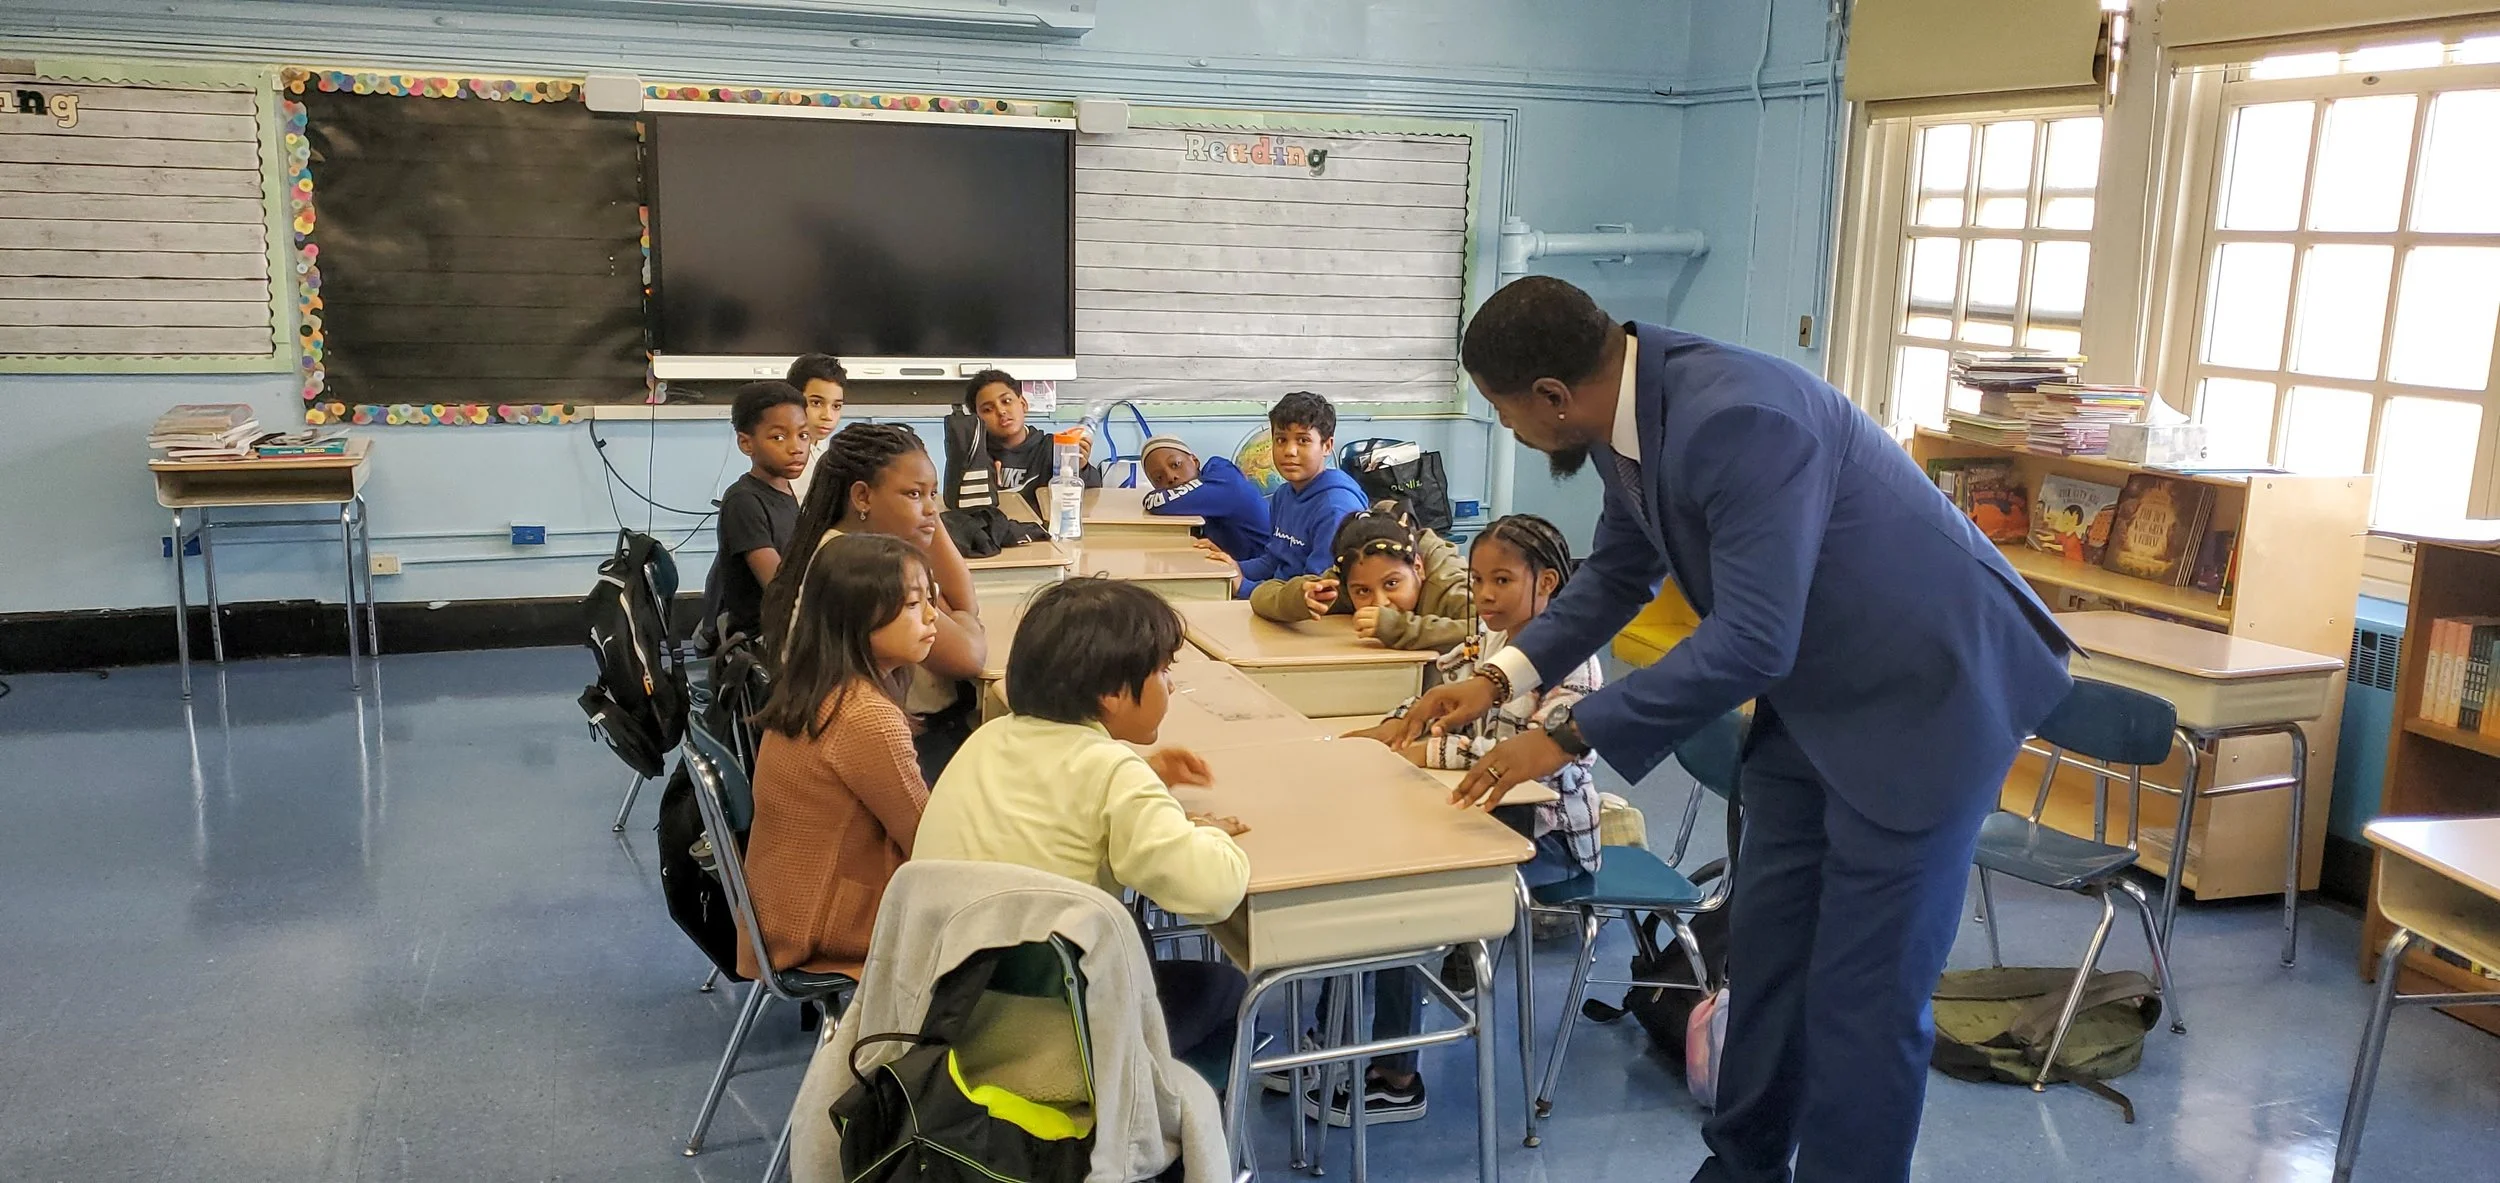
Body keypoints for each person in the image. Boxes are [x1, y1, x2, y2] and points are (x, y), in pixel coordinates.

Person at [1397, 276, 2072, 1183]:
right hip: (1818, 696)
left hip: (1930, 700)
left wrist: (1566, 734)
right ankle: (1742, 1169)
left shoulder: (1739, 418)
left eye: (1503, 409)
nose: (1507, 427)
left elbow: (1754, 636)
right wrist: (1498, 676)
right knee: (1768, 961)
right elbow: (1618, 575)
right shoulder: (1628, 415)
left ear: (1552, 395)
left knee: (1865, 1000)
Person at [1311, 514, 1598, 1126]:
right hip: (1479, 817)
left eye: (1502, 580)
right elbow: (1435, 694)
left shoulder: (1576, 666)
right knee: (1362, 869)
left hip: (1546, 840)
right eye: (1478, 580)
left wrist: (1425, 750)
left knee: (1401, 899)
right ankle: (1327, 1044)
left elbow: (1531, 761)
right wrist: (1399, 724)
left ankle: (1395, 1075)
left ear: (1547, 583)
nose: (1485, 595)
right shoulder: (1487, 647)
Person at [914, 577, 1251, 1074]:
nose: (1171, 685)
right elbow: (1212, 892)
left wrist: (1151, 782)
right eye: (1162, 670)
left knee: (1135, 936)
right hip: (1053, 1036)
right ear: (1112, 692)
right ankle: (1152, 1118)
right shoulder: (1113, 773)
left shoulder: (988, 739)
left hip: (949, 1011)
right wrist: (1209, 835)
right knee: (1229, 990)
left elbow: (1059, 797)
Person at [740, 533, 935, 980]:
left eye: (931, 598)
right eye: (912, 604)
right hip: (823, 924)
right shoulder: (866, 715)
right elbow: (927, 838)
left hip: (782, 908)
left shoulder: (816, 684)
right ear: (857, 617)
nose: (931, 616)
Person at [766, 423, 988, 784]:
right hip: (890, 744)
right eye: (914, 494)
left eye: (933, 494)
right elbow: (968, 657)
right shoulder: (867, 569)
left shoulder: (848, 542)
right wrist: (962, 618)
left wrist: (924, 516)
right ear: (862, 497)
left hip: (873, 733)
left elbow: (963, 600)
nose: (931, 509)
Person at [1249, 500, 1472, 651]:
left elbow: (1484, 633)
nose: (1380, 603)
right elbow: (1262, 595)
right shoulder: (1347, 582)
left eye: (1392, 583)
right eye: (1363, 591)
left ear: (1418, 567)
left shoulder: (1447, 582)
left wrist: (1398, 628)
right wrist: (1298, 598)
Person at [699, 380, 809, 649]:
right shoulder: (744, 501)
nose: (796, 447)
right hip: (760, 641)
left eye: (803, 435)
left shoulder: (786, 491)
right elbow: (780, 589)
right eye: (779, 437)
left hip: (789, 629)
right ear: (746, 443)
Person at [1227, 390, 1367, 598]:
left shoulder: (1335, 508)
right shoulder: (1284, 494)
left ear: (1327, 446)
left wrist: (1244, 587)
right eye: (1281, 440)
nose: (1289, 451)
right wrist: (1228, 568)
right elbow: (1272, 561)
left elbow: (1317, 589)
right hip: (1281, 600)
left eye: (1303, 440)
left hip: (1310, 609)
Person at [967, 368, 1099, 505]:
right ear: (976, 420)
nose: (1001, 411)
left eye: (1006, 401)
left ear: (1023, 404)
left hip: (1043, 519)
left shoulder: (1054, 449)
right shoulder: (973, 455)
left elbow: (1091, 497)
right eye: (988, 409)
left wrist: (1079, 468)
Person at [1138, 435, 1275, 563]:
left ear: (1195, 461)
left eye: (1176, 465)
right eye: (1158, 478)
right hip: (1246, 565)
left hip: (1270, 572)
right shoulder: (1202, 493)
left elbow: (1158, 503)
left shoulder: (1224, 479)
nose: (1170, 477)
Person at [785, 353, 847, 507]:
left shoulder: (833, 453)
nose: (828, 416)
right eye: (816, 403)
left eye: (836, 406)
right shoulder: (781, 455)